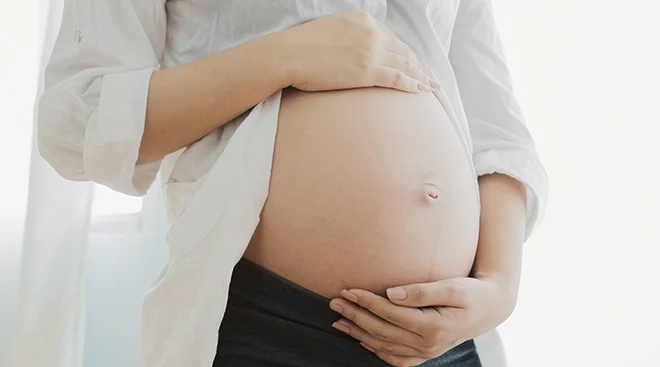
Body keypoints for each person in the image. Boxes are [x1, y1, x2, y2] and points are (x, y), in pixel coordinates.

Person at [38, 1, 548, 366]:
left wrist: (499, 289)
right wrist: (285, 55)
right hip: (272, 325)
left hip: (446, 338)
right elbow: (80, 121)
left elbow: (495, 126)